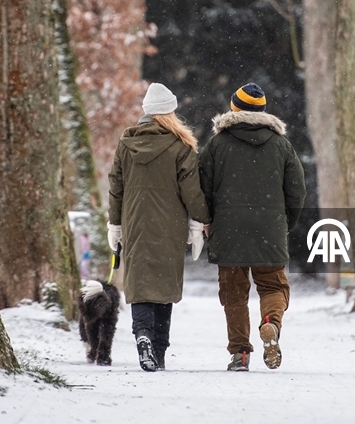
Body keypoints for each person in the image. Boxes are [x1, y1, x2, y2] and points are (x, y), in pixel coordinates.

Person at [199, 83, 306, 372]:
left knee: (233, 293)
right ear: (263, 111)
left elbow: (203, 188)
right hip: (269, 227)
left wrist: (207, 221)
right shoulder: (281, 144)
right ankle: (270, 322)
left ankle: (240, 354)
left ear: (234, 108)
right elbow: (297, 191)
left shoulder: (217, 145)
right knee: (273, 285)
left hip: (227, 228)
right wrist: (286, 222)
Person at [108, 83, 210, 372]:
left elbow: (116, 187)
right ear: (170, 113)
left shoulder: (125, 144)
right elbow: (192, 191)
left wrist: (114, 223)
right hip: (170, 225)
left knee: (139, 285)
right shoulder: (181, 146)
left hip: (135, 223)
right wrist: (202, 219)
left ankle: (142, 336)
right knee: (165, 288)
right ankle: (160, 350)